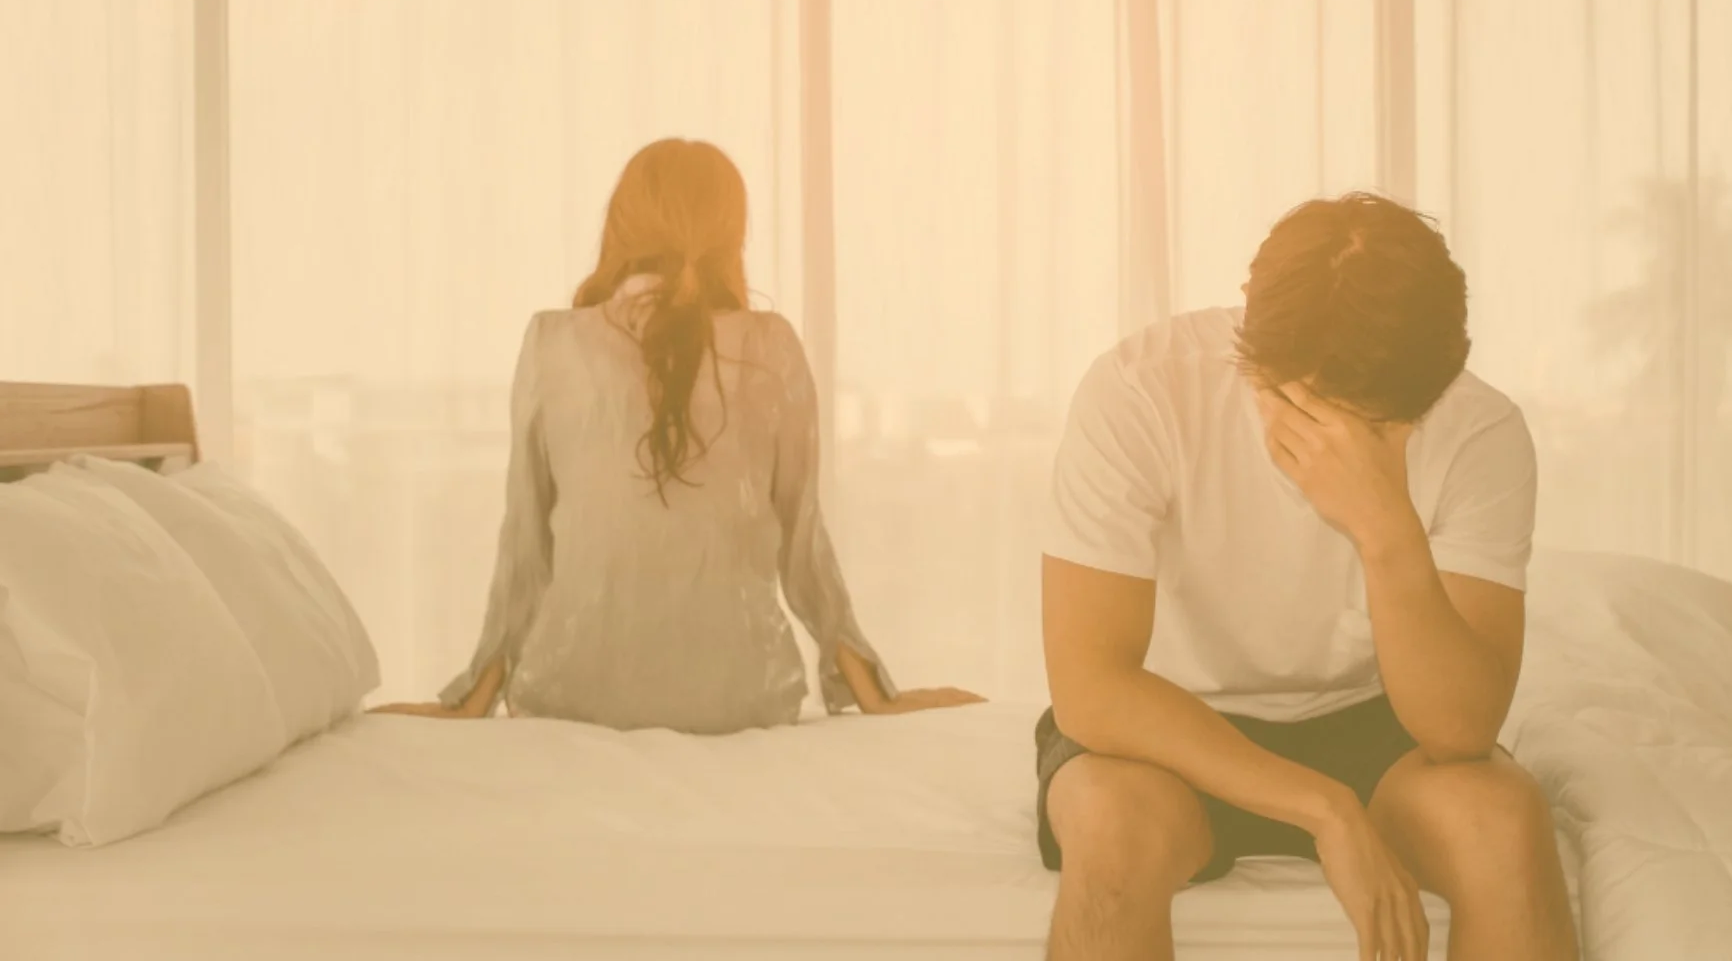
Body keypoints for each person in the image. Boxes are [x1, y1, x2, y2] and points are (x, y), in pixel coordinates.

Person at [1034, 194, 1579, 961]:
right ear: (1250, 332)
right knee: (1110, 833)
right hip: (1165, 726)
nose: (1330, 437)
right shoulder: (1140, 389)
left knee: (1504, 825)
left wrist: (1385, 528)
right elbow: (1091, 689)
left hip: (1376, 722)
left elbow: (1460, 731)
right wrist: (1325, 810)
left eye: (1373, 421)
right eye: (1300, 400)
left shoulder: (1478, 428)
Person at [373, 138, 982, 733]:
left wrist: (474, 698)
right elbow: (804, 542)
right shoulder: (771, 345)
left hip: (573, 691)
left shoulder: (551, 343)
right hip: (741, 696)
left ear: (620, 226)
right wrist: (873, 694)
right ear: (731, 237)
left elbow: (525, 542)